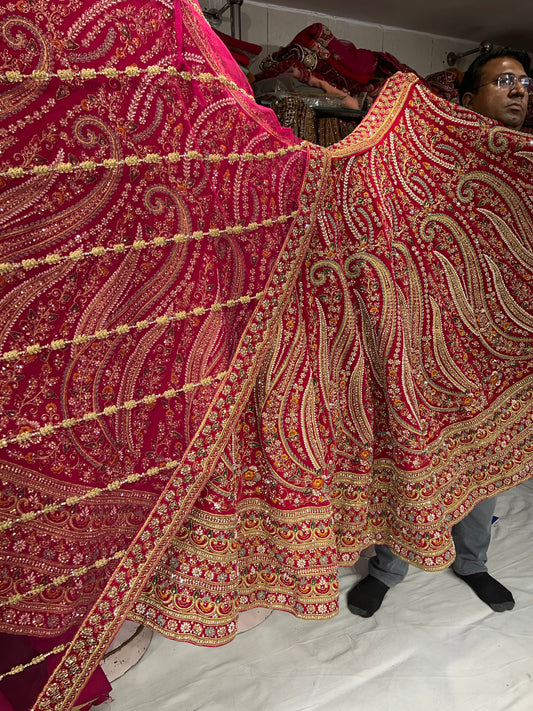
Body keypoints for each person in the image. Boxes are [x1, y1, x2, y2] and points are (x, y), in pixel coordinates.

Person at [347, 46, 531, 619]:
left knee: (488, 458)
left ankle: (472, 563)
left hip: (503, 350)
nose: (520, 92)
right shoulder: (426, 159)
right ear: (470, 96)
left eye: (527, 84)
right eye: (505, 81)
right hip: (425, 341)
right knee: (410, 453)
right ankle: (388, 567)